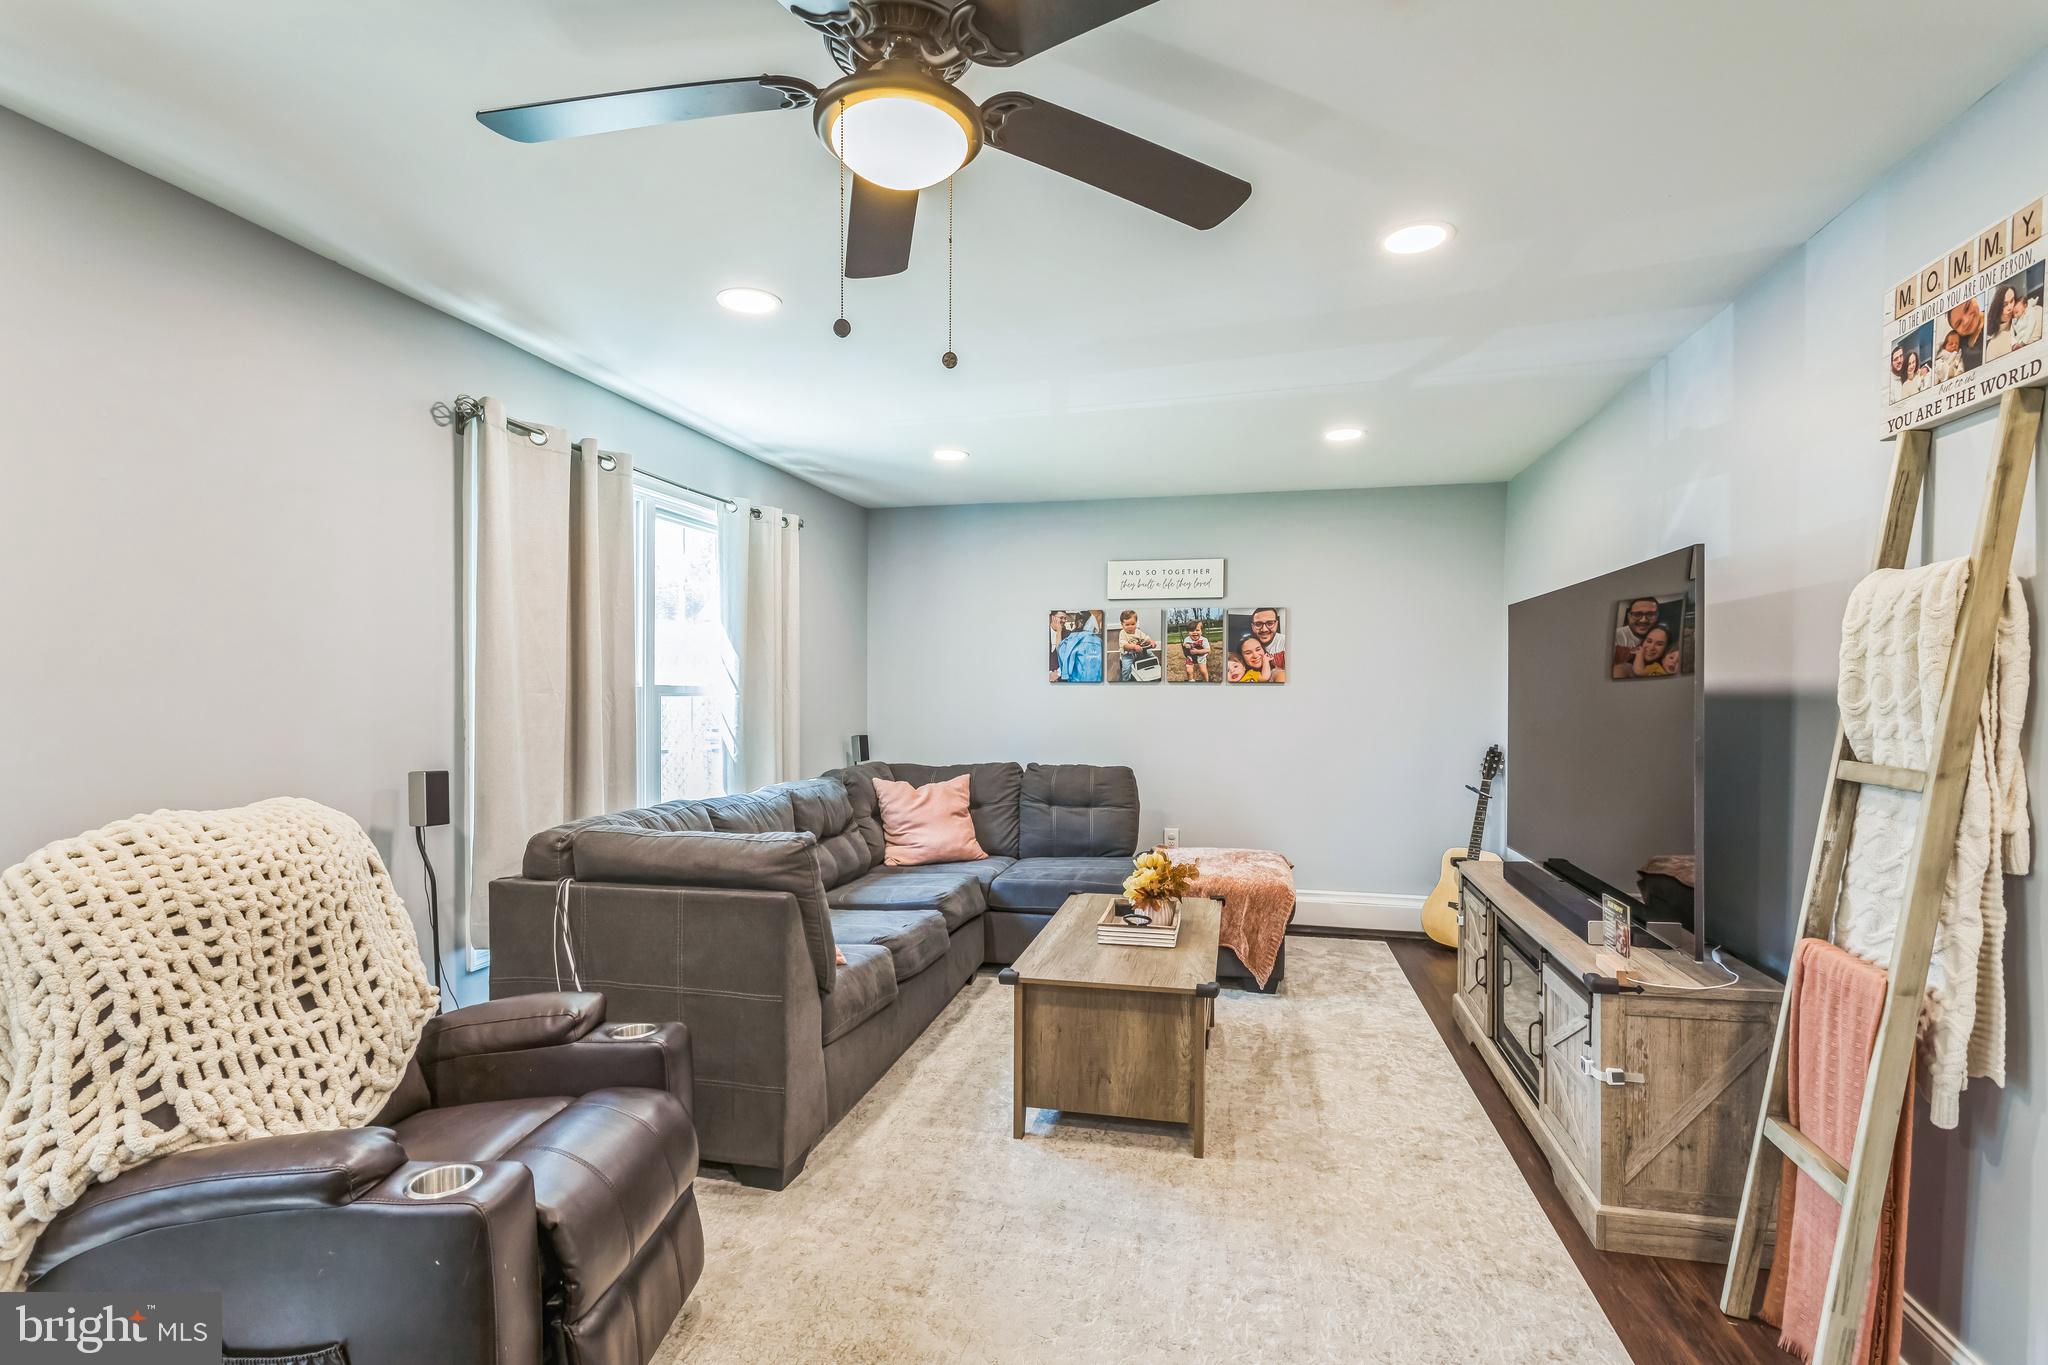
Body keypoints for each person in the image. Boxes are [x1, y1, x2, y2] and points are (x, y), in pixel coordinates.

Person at [1614, 597, 1660, 675]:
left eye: (1650, 614)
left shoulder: (1662, 636)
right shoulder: (1614, 637)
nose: (1643, 620)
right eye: (1637, 614)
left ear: (1657, 616)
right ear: (1629, 616)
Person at [1115, 609, 1158, 682]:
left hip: (1140, 651)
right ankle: (1126, 679)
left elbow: (1146, 638)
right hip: (1128, 655)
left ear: (1136, 623)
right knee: (1126, 668)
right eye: (1127, 625)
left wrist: (1151, 641)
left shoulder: (1138, 632)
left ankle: (1156, 668)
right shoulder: (1122, 633)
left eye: (1133, 624)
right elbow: (1124, 645)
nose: (1130, 627)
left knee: (1152, 656)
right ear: (1122, 625)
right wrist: (1134, 646)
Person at [1947, 297, 1985, 371]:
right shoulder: (1959, 342)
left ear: (1975, 299)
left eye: (1967, 308)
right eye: (1959, 323)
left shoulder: (1997, 316)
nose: (1966, 320)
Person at [1246, 608, 1286, 674]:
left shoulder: (1287, 642)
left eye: (1270, 623)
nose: (1264, 629)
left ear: (1276, 624)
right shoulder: (1246, 645)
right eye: (1258, 624)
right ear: (1253, 627)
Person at [1180, 616, 1212, 681]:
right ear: (1188, 632)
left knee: (1203, 671)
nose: (1194, 632)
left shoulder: (1204, 640)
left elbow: (1208, 650)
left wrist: (1197, 651)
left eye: (1197, 630)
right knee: (1189, 671)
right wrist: (1186, 645)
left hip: (1201, 657)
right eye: (1192, 630)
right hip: (1190, 657)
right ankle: (1191, 681)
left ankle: (1206, 681)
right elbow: (1185, 645)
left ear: (1201, 631)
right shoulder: (1187, 639)